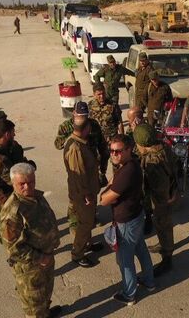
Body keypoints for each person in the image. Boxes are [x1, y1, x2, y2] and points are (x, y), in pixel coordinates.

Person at [0, 163, 62, 318]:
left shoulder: (37, 197)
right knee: (33, 305)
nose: (28, 187)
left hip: (46, 258)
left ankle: (45, 312)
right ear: (13, 184)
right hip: (30, 267)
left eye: (31, 182)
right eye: (22, 184)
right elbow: (13, 248)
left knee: (45, 293)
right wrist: (41, 258)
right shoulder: (12, 213)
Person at [100, 134, 155, 306]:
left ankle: (129, 294)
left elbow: (104, 200)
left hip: (126, 222)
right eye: (111, 151)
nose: (114, 154)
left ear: (129, 150)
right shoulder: (131, 165)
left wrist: (108, 189)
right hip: (136, 216)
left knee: (125, 260)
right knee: (141, 249)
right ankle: (148, 280)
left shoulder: (126, 172)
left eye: (118, 151)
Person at [63, 102, 104, 268]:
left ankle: (87, 244)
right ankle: (77, 253)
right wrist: (86, 195)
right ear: (86, 129)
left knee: (88, 221)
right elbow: (78, 176)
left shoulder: (81, 142)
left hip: (89, 191)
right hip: (82, 194)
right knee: (84, 224)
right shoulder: (75, 148)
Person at [134, 124, 177, 276]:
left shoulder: (151, 161)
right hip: (168, 192)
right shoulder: (164, 147)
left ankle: (167, 258)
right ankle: (163, 244)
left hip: (161, 200)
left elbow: (151, 186)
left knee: (163, 224)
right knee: (162, 226)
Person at [54, 101, 109, 183]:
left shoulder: (93, 124)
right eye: (80, 116)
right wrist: (73, 135)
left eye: (85, 115)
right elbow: (57, 145)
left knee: (92, 190)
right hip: (75, 164)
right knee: (78, 190)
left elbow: (103, 148)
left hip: (92, 164)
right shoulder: (65, 126)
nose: (83, 118)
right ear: (74, 113)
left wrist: (102, 171)